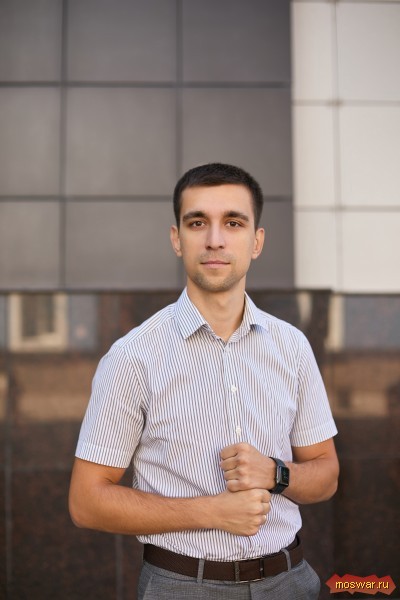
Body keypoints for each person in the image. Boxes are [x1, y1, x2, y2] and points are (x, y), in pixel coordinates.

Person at [69, 163, 339, 599]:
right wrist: (213, 511)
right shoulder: (133, 357)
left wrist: (276, 473)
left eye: (233, 223)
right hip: (181, 587)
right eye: (198, 223)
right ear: (177, 239)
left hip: (290, 581)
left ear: (257, 241)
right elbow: (86, 502)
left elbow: (327, 475)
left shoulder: (292, 346)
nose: (215, 239)